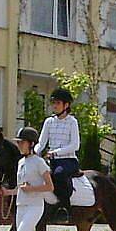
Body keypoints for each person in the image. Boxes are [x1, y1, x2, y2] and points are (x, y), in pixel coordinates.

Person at [1, 127, 54, 231]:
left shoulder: (39, 162)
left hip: (35, 206)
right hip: (21, 206)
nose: (19, 145)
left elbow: (49, 186)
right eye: (18, 142)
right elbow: (21, 188)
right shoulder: (21, 163)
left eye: (22, 142)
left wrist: (33, 189)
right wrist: (9, 192)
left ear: (31, 144)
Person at [35, 88, 80, 222]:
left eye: (58, 103)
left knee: (59, 174)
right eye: (53, 103)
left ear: (66, 105)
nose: (54, 106)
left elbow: (75, 145)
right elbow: (41, 143)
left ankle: (64, 208)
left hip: (68, 160)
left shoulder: (72, 122)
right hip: (51, 160)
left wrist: (55, 152)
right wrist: (33, 153)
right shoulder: (49, 122)